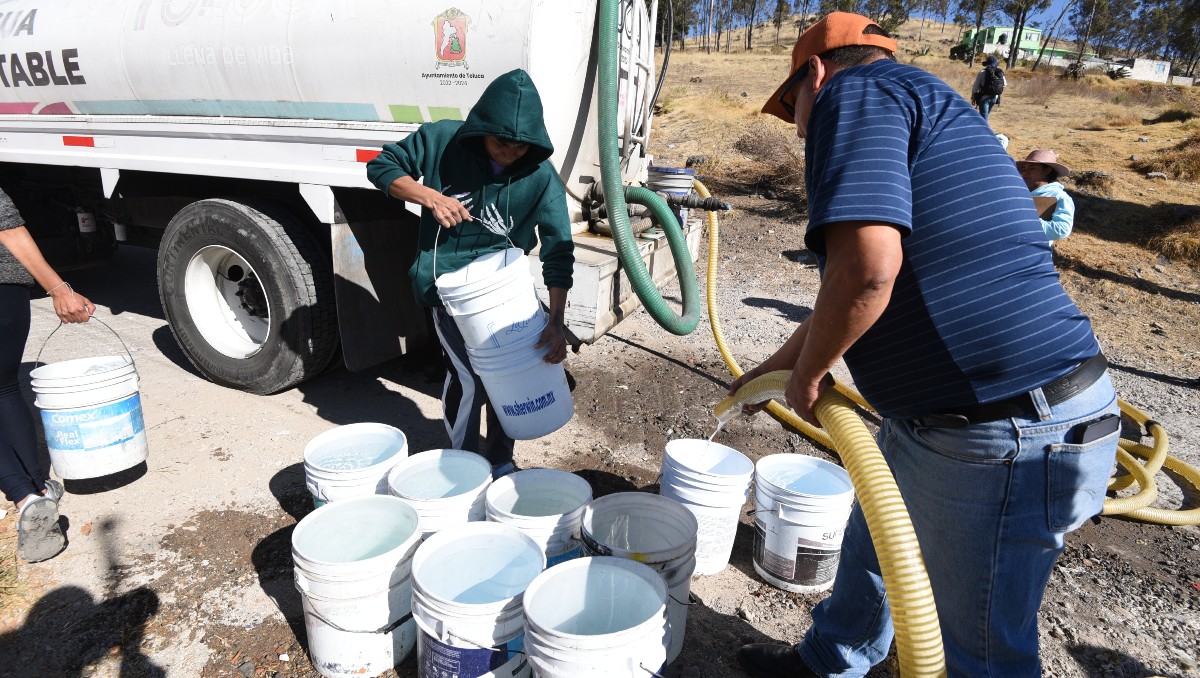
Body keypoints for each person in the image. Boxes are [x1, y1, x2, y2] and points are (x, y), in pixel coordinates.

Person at [736, 12, 1119, 678]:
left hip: (1007, 429)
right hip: (956, 420)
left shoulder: (852, 97)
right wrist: (766, 376)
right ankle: (829, 663)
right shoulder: (925, 100)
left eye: (791, 105)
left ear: (816, 75)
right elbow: (845, 294)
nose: (797, 127)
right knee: (870, 553)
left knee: (981, 655)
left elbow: (866, 272)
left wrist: (809, 378)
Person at [367, 68, 573, 478]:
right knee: (470, 382)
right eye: (501, 143)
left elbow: (558, 250)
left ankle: (499, 460)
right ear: (483, 128)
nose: (510, 153)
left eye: (520, 147)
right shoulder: (443, 139)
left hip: (504, 288)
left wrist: (556, 321)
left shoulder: (540, 177)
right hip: (450, 291)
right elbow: (381, 166)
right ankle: (462, 465)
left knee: (510, 380)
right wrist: (428, 195)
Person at [1, 187, 95, 562]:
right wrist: (58, 289)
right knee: (6, 388)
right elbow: (9, 230)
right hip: (6, 292)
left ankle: (24, 497)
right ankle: (40, 486)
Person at [1017, 149, 1076, 241]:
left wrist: (1026, 221)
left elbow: (1062, 229)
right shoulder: (1017, 193)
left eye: (1032, 168)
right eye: (1024, 169)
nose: (1026, 172)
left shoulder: (1060, 197)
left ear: (1047, 171)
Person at [971, 54, 1006, 121]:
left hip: (984, 98)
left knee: (984, 117)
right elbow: (1004, 84)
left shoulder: (982, 72)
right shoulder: (999, 72)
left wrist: (973, 98)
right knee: (986, 115)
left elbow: (975, 87)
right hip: (994, 98)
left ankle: (984, 131)